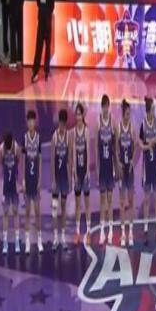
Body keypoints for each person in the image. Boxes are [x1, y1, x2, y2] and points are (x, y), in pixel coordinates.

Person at [139, 97, 156, 244]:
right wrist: (148, 145)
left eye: (154, 108)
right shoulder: (143, 124)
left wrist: (155, 142)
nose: (154, 111)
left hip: (155, 167)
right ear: (148, 111)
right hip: (147, 168)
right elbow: (140, 143)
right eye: (153, 109)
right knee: (147, 200)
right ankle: (146, 230)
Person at [22, 110, 43, 254]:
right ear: (27, 122)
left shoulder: (38, 138)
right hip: (27, 180)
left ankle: (39, 241)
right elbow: (24, 160)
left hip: (35, 179)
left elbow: (40, 160)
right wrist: (23, 179)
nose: (31, 123)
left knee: (37, 211)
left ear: (35, 122)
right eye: (29, 121)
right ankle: (28, 242)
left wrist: (40, 179)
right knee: (27, 211)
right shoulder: (24, 138)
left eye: (32, 121)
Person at [50, 109, 71, 251]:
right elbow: (52, 159)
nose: (62, 127)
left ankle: (63, 237)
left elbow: (69, 159)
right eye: (60, 124)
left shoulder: (68, 137)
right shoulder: (55, 137)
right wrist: (53, 180)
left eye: (64, 124)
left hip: (64, 177)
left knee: (63, 206)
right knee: (54, 208)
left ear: (65, 123)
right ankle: (55, 238)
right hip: (56, 178)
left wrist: (70, 178)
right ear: (59, 123)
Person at [97, 95, 116, 245]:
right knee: (102, 200)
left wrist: (116, 165)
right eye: (104, 106)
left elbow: (115, 147)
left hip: (110, 166)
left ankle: (110, 231)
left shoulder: (112, 121)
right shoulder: (98, 122)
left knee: (110, 199)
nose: (105, 109)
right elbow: (96, 148)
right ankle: (102, 231)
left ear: (109, 107)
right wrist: (97, 167)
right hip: (102, 167)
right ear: (101, 107)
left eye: (107, 106)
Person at [32, 0, 55, 82]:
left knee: (47, 48)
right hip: (40, 22)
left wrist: (47, 14)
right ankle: (35, 71)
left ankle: (46, 69)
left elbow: (52, 4)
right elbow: (38, 2)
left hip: (47, 22)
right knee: (38, 47)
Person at [73, 103, 91, 245]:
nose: (78, 117)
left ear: (83, 115)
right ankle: (77, 232)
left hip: (84, 170)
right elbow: (74, 151)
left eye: (80, 114)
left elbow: (88, 152)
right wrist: (74, 169)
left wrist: (87, 171)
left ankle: (88, 231)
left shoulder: (86, 131)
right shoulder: (74, 132)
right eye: (77, 114)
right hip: (77, 171)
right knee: (78, 204)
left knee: (87, 203)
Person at [118, 99, 135, 247]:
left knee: (131, 201)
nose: (129, 116)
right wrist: (118, 163)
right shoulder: (118, 128)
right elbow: (115, 148)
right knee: (122, 202)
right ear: (123, 114)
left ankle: (131, 232)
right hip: (121, 170)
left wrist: (133, 161)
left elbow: (135, 148)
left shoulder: (131, 128)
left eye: (130, 114)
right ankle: (123, 232)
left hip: (129, 169)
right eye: (127, 114)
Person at [0, 133, 20, 254]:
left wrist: (19, 182)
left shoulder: (16, 147)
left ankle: (17, 240)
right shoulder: (2, 148)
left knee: (16, 212)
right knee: (5, 213)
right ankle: (5, 241)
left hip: (14, 184)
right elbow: (1, 165)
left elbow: (19, 163)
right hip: (6, 186)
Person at [9, 0, 27, 66]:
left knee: (13, 34)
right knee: (20, 34)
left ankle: (13, 58)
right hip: (21, 10)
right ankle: (20, 57)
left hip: (14, 10)